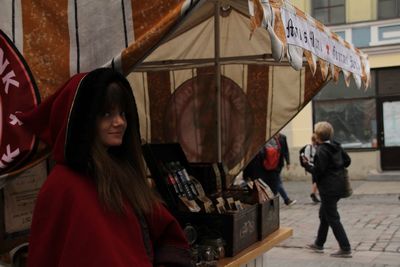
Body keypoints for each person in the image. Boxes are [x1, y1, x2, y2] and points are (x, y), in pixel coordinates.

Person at [20, 68, 193, 266]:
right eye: (106, 114)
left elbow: (164, 232)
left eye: (122, 113)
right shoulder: (62, 186)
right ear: (84, 122)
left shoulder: (122, 175)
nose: (119, 122)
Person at [302, 121, 352, 258]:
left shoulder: (321, 150)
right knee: (324, 215)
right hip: (338, 185)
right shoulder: (336, 146)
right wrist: (336, 166)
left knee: (333, 218)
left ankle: (345, 247)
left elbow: (318, 172)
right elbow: (347, 161)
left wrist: (306, 165)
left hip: (328, 188)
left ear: (317, 135)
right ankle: (319, 243)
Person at [274, 133, 296, 206]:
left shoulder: (283, 137)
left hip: (279, 163)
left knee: (277, 181)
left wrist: (288, 162)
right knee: (277, 182)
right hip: (270, 163)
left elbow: (286, 150)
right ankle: (286, 199)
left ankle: (277, 199)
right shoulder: (269, 137)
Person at [302, 133, 320, 203]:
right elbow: (306, 159)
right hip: (310, 165)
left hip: (315, 165)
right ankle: (314, 194)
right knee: (316, 177)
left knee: (316, 178)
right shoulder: (308, 147)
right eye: (315, 141)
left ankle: (314, 194)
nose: (316, 143)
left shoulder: (318, 147)